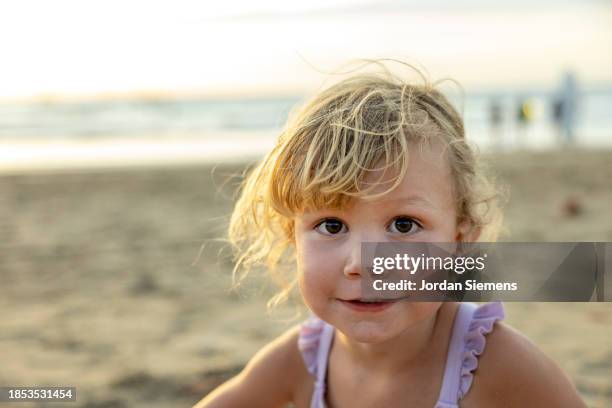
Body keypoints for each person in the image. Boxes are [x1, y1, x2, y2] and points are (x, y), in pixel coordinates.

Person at [194, 64, 586, 407]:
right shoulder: (302, 361)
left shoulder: (496, 364)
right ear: (293, 238)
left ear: (461, 242)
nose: (362, 264)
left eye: (403, 225)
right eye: (332, 226)